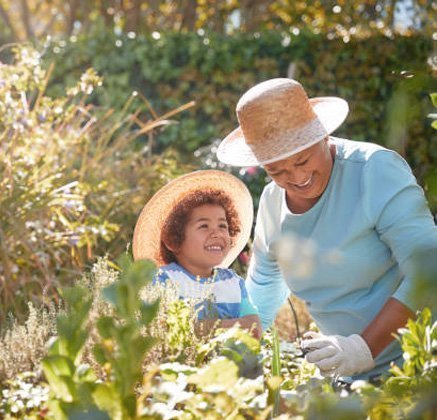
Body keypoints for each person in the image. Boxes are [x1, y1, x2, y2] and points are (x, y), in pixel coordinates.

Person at [216, 78, 437, 380]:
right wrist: (238, 349)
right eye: (276, 170)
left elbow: (429, 271)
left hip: (421, 365)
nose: (296, 177)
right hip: (344, 373)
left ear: (322, 135)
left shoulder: (374, 171)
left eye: (303, 159)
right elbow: (265, 284)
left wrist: (361, 349)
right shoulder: (271, 201)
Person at [132, 170, 262, 339]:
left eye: (223, 226)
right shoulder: (164, 280)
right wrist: (234, 325)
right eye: (204, 226)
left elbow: (255, 327)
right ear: (174, 240)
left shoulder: (233, 283)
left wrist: (203, 327)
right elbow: (167, 330)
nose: (217, 234)